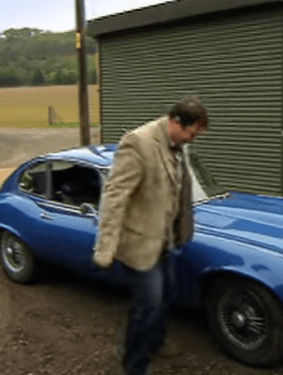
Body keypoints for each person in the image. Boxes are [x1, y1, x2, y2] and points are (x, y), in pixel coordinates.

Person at [92, 96, 208, 375]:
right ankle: (135, 364)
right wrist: (105, 246)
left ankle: (155, 341)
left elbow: (177, 189)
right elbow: (115, 196)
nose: (193, 139)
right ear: (176, 122)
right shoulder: (139, 143)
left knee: (167, 296)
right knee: (148, 304)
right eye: (192, 133)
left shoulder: (179, 146)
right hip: (139, 243)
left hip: (165, 241)